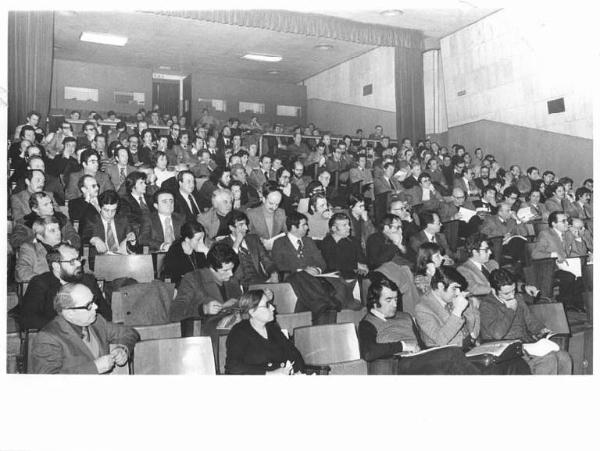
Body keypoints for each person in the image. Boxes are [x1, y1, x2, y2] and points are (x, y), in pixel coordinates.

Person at [357, 274, 480, 375]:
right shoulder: (367, 323)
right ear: (374, 302)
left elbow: (421, 343)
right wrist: (403, 346)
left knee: (448, 360)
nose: (394, 304)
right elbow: (369, 353)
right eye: (388, 300)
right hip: (398, 364)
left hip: (419, 359)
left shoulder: (405, 316)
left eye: (396, 299)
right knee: (451, 354)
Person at [479, 269, 572, 375]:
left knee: (564, 358)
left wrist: (542, 330)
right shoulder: (487, 305)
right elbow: (497, 334)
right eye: (506, 293)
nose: (511, 296)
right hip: (508, 351)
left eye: (513, 291)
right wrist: (510, 311)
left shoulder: (518, 298)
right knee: (548, 360)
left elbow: (531, 321)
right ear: (494, 290)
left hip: (526, 344)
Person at [30, 283, 139, 374]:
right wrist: (94, 368)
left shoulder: (97, 321)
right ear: (69, 313)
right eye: (89, 305)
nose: (96, 307)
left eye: (93, 301)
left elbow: (129, 332)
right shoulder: (48, 338)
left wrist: (122, 348)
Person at [18, 243, 111, 331]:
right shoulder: (40, 283)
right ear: (56, 266)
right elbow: (28, 320)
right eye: (72, 261)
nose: (79, 264)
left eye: (78, 259)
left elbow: (105, 313)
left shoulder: (88, 281)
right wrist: (71, 328)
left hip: (88, 333)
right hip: (57, 336)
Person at [225, 289, 305, 375]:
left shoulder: (272, 328)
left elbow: (294, 355)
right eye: (267, 305)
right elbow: (233, 366)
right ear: (252, 312)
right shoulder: (239, 332)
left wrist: (297, 371)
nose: (273, 308)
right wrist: (269, 373)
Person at [169, 242, 242, 321]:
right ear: (211, 268)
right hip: (203, 328)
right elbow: (175, 313)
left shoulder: (232, 280)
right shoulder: (193, 279)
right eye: (226, 270)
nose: (231, 274)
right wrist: (203, 309)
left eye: (232, 269)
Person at [531, 211, 585, 312]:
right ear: (553, 224)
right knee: (568, 277)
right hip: (549, 268)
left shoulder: (567, 234)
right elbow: (535, 254)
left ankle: (575, 303)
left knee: (583, 273)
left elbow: (580, 252)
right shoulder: (545, 234)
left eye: (567, 221)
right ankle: (563, 302)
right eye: (563, 221)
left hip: (566, 266)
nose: (567, 224)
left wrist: (577, 238)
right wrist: (553, 254)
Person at [414, 266, 480, 348]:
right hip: (446, 354)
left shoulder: (450, 297)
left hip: (469, 347)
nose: (457, 292)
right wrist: (458, 311)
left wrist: (473, 335)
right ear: (441, 286)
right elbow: (440, 340)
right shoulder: (422, 309)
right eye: (454, 288)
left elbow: (475, 314)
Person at [220, 210, 278, 289]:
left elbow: (266, 259)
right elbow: (226, 264)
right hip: (241, 286)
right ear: (231, 228)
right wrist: (236, 243)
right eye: (241, 225)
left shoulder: (253, 239)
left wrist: (273, 273)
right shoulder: (223, 244)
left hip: (262, 282)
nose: (246, 228)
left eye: (246, 224)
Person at [10, 192, 80, 250]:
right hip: (38, 255)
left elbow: (75, 238)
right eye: (46, 205)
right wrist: (38, 241)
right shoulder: (25, 222)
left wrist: (66, 244)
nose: (51, 207)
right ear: (35, 209)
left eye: (51, 203)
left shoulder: (61, 218)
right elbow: (15, 241)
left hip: (61, 253)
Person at [81, 190, 139, 256]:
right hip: (101, 260)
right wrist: (94, 239)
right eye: (106, 210)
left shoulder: (123, 220)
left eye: (113, 210)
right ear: (99, 208)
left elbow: (134, 242)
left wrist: (132, 240)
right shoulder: (92, 221)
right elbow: (84, 237)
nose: (110, 214)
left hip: (122, 258)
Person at [319, 212, 368, 279]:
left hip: (355, 276)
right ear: (334, 228)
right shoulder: (327, 242)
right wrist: (355, 265)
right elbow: (332, 264)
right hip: (334, 278)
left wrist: (362, 267)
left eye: (348, 224)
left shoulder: (353, 241)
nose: (349, 227)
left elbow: (362, 261)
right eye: (344, 225)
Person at [15, 216, 62, 283]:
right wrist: (47, 283)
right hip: (44, 290)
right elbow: (22, 272)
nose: (58, 233)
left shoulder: (65, 248)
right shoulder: (29, 249)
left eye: (58, 229)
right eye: (52, 230)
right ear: (39, 236)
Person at [162, 221, 209, 286]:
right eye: (198, 239)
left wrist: (207, 253)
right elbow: (172, 279)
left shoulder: (200, 251)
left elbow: (208, 274)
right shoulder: (174, 252)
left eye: (203, 238)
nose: (202, 242)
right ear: (187, 239)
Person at [246, 184, 286, 251]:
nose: (274, 207)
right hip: (258, 251)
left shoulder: (281, 212)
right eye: (271, 203)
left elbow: (287, 232)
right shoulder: (251, 214)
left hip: (277, 250)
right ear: (264, 199)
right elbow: (246, 236)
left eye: (277, 204)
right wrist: (259, 240)